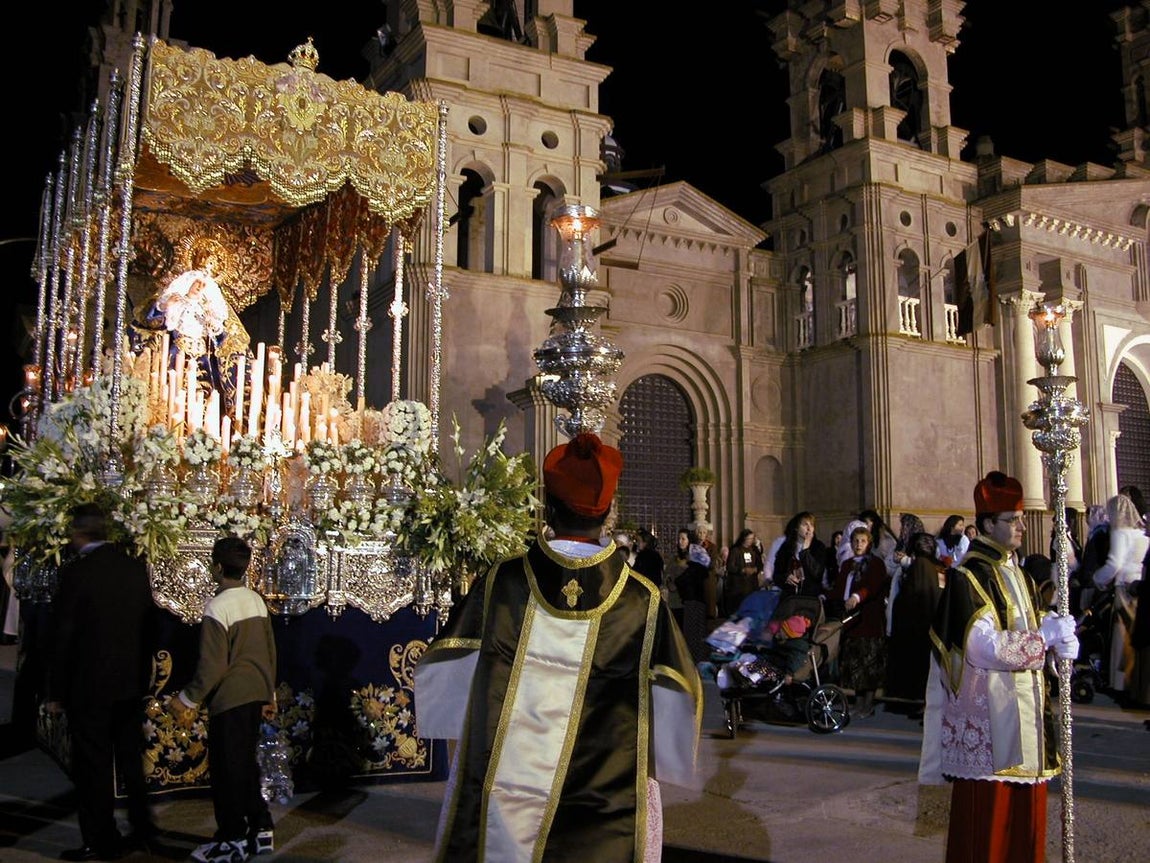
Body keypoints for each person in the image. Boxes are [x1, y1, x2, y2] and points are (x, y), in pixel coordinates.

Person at [414, 433, 701, 862]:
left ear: (548, 506)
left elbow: (452, 663)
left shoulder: (503, 580)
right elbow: (678, 688)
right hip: (605, 795)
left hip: (509, 797)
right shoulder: (640, 598)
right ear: (607, 512)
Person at [920, 471, 1078, 863]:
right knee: (987, 831)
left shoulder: (1020, 573)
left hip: (1028, 718)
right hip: (992, 721)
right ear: (988, 523)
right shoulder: (967, 575)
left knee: (1026, 830)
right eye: (1013, 519)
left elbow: (1033, 632)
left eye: (1021, 518)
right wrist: (1042, 639)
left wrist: (1061, 644)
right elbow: (980, 647)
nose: (1022, 526)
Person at [46, 503, 156, 862]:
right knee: (129, 758)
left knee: (93, 765)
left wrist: (56, 691)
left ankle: (100, 839)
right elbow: (148, 629)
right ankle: (142, 830)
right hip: (129, 683)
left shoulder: (78, 573)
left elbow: (64, 636)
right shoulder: (134, 567)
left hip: (89, 686)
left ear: (79, 534)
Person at [167, 536, 277, 863]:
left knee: (227, 770)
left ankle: (231, 840)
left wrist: (188, 699)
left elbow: (213, 664)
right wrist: (269, 693)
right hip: (256, 691)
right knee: (244, 763)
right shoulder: (256, 600)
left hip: (230, 697)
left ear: (216, 567)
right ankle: (260, 826)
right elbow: (269, 650)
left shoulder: (218, 606)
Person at [828, 525, 888, 718]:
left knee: (868, 665)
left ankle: (867, 705)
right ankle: (858, 703)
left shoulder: (875, 563)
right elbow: (838, 588)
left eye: (862, 541)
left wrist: (857, 596)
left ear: (869, 543)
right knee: (855, 666)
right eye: (855, 541)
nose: (858, 544)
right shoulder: (847, 564)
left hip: (868, 620)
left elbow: (872, 586)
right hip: (851, 622)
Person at [1092, 491, 1148, 697]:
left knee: (1121, 636)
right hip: (1140, 587)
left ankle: (1119, 682)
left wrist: (1098, 579)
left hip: (1124, 588)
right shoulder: (1140, 534)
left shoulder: (1120, 533)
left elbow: (1114, 563)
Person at [884, 531, 945, 716]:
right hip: (931, 626)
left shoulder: (920, 565)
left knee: (919, 671)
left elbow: (913, 597)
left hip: (917, 628)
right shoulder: (938, 566)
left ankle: (919, 704)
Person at [773, 511, 826, 597]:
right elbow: (777, 574)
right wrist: (785, 577)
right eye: (805, 525)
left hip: (811, 597)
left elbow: (817, 573)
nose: (809, 528)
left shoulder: (819, 546)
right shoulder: (786, 547)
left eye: (812, 525)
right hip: (790, 597)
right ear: (796, 528)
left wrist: (805, 550)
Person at [725, 528, 763, 612]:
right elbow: (730, 566)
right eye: (749, 539)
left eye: (752, 539)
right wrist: (742, 570)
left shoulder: (754, 550)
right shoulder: (736, 550)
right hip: (739, 586)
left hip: (752, 584)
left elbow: (760, 564)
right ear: (743, 538)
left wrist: (756, 569)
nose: (750, 541)